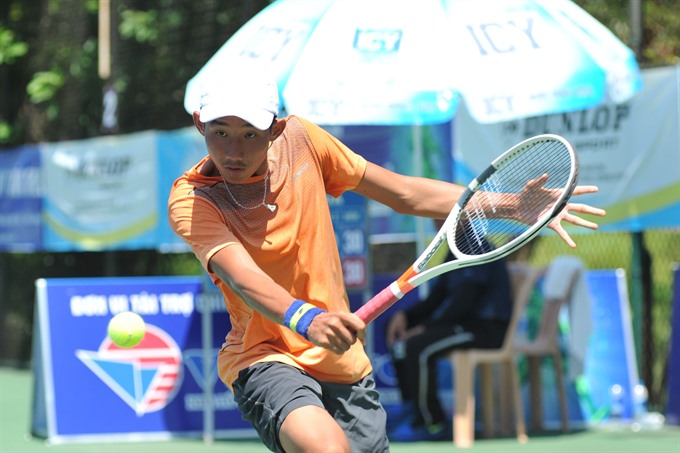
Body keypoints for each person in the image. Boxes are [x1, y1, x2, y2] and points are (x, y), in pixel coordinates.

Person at [168, 62, 605, 453]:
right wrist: (307, 319)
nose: (233, 151)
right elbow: (242, 276)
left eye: (249, 135)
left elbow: (403, 192)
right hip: (263, 355)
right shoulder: (192, 201)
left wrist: (513, 205)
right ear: (199, 123)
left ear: (275, 131)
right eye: (219, 132)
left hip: (343, 361)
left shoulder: (302, 140)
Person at [385, 242, 513, 442]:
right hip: (461, 324)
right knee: (400, 339)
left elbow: (464, 302)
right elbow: (437, 297)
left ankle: (433, 423)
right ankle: (412, 410)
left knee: (418, 347)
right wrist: (406, 316)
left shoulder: (477, 247)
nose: (436, 220)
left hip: (484, 329)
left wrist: (426, 327)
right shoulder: (455, 249)